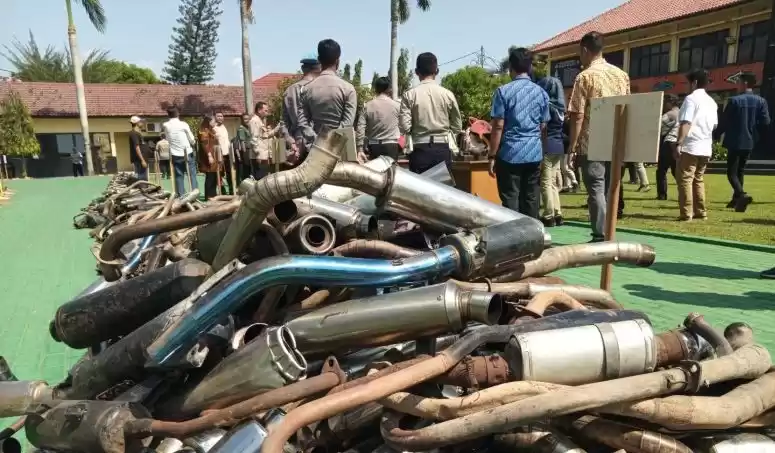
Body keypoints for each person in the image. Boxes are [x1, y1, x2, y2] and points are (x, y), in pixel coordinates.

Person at [567, 31, 630, 242]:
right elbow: (627, 107)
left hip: (591, 140)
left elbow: (577, 115)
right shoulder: (621, 75)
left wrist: (572, 146)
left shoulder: (584, 76)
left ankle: (599, 234)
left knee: (596, 188)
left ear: (585, 50)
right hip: (615, 139)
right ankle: (610, 232)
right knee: (612, 188)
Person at [487, 48, 549, 220]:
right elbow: (543, 127)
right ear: (530, 67)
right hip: (534, 152)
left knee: (510, 199)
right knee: (531, 199)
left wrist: (492, 155)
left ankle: (513, 234)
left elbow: (498, 126)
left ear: (511, 67)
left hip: (510, 153)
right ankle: (533, 232)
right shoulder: (541, 93)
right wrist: (541, 152)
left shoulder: (503, 92)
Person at [400, 52, 462, 173]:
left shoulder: (409, 95)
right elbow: (457, 125)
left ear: (416, 72)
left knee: (420, 185)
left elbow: (405, 126)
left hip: (420, 150)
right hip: (443, 148)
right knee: (442, 185)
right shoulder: (447, 94)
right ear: (437, 71)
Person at [719, 72, 771, 212]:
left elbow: (724, 122)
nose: (737, 85)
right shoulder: (761, 101)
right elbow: (765, 123)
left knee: (731, 172)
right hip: (750, 141)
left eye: (739, 82)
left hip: (735, 140)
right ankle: (736, 199)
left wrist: (715, 135)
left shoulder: (734, 101)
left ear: (745, 83)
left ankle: (741, 195)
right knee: (740, 170)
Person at [297, 39, 357, 156]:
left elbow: (302, 122)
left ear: (319, 60)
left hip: (316, 150)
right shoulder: (348, 89)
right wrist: (332, 140)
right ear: (338, 61)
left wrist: (317, 139)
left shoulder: (306, 89)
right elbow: (348, 123)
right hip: (340, 152)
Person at [675, 68, 718, 222]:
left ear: (694, 83)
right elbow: (714, 125)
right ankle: (701, 211)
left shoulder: (691, 99)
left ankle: (686, 213)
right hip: (705, 146)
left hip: (691, 145)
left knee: (685, 178)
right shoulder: (712, 102)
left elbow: (686, 122)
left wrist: (679, 143)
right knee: (698, 179)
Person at [535, 75, 566, 225]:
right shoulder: (561, 108)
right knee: (553, 181)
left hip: (548, 145)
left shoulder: (547, 107)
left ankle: (548, 215)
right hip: (559, 146)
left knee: (545, 182)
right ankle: (557, 212)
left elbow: (543, 128)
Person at [282, 56, 321, 165]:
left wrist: (291, 142)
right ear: (318, 69)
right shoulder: (319, 88)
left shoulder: (289, 91)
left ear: (303, 69)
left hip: (297, 145)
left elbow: (284, 122)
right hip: (317, 144)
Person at [357, 76, 401, 162]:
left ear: (376, 89)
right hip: (391, 145)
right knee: (391, 170)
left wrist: (360, 148)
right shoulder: (397, 106)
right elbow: (404, 127)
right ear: (389, 89)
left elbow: (360, 128)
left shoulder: (367, 106)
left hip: (374, 146)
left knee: (376, 170)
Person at [162, 107, 199, 196]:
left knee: (179, 175)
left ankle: (181, 194)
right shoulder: (183, 124)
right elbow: (192, 139)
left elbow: (167, 138)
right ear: (178, 114)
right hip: (187, 152)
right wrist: (193, 143)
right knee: (192, 174)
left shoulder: (166, 125)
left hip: (175, 153)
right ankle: (194, 193)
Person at [249, 101, 281, 180]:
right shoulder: (254, 121)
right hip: (259, 156)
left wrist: (278, 127)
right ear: (259, 110)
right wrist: (257, 154)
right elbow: (254, 139)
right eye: (265, 110)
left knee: (263, 177)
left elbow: (266, 135)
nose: (267, 113)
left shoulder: (260, 121)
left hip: (263, 155)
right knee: (260, 179)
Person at [656, 94, 680, 200]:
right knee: (676, 171)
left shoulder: (669, 114)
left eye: (665, 102)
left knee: (661, 170)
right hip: (678, 144)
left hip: (668, 143)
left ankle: (662, 194)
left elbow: (658, 126)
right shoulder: (682, 113)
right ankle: (684, 192)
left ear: (670, 103)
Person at [198, 115, 220, 200]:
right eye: (214, 120)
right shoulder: (204, 131)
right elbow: (204, 144)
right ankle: (209, 196)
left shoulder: (211, 130)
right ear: (209, 121)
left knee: (213, 176)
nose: (215, 122)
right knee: (210, 177)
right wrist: (209, 155)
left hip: (214, 155)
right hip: (208, 156)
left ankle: (213, 195)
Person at [213, 112, 234, 195]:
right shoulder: (213, 128)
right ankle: (222, 191)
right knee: (220, 174)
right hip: (219, 154)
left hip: (227, 153)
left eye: (221, 116)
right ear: (215, 117)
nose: (220, 118)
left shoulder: (224, 127)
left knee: (229, 173)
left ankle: (231, 190)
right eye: (218, 116)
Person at [128, 116, 148, 181]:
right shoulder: (134, 133)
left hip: (140, 159)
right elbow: (137, 147)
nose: (142, 123)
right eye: (141, 122)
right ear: (137, 123)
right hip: (139, 160)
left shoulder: (137, 133)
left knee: (142, 177)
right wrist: (142, 160)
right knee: (142, 178)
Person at [234, 113, 252, 182]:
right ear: (242, 120)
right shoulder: (241, 128)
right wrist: (245, 154)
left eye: (248, 119)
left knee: (250, 169)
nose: (247, 120)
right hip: (246, 151)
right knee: (246, 169)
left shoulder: (248, 128)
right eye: (245, 119)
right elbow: (242, 142)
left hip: (250, 150)